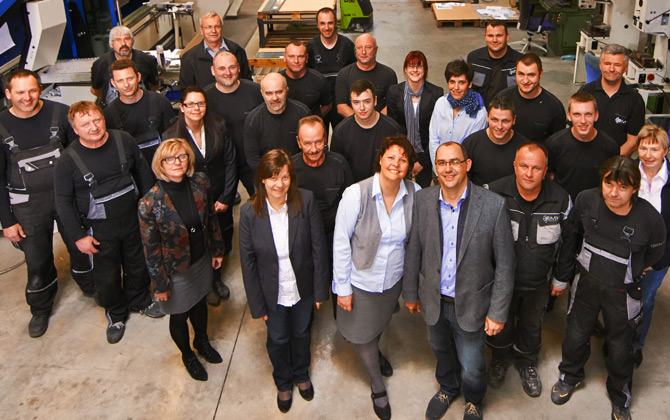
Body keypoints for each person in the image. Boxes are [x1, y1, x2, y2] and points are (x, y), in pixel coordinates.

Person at [403, 141, 514, 420]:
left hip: (473, 302)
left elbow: (505, 264)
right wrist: (411, 293)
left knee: (472, 365)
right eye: (441, 163)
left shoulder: (493, 205)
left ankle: (473, 400)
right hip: (434, 299)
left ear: (467, 165)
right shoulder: (423, 200)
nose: (448, 168)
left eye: (454, 161)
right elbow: (414, 249)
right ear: (435, 168)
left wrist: (498, 312)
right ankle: (447, 387)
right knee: (441, 351)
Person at [550, 156, 665, 420]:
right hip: (586, 285)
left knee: (620, 347)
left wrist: (636, 269)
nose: (614, 193)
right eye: (608, 184)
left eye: (623, 187)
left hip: (624, 293)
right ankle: (570, 376)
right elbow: (572, 237)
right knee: (576, 335)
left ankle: (619, 396)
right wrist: (563, 276)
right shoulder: (586, 200)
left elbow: (655, 252)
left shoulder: (649, 218)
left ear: (634, 188)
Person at [54, 101, 163, 344]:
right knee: (107, 275)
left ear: (103, 119)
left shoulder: (124, 140)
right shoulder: (67, 161)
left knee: (138, 264)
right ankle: (116, 313)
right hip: (99, 229)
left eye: (97, 120)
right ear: (75, 129)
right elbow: (63, 202)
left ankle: (140, 300)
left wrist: (150, 211)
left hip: (133, 219)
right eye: (85, 124)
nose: (93, 127)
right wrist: (78, 236)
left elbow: (143, 174)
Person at [333, 135, 420, 420]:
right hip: (361, 281)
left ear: (409, 166)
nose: (396, 163)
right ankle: (377, 385)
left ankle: (377, 355)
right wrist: (343, 288)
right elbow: (341, 243)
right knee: (361, 337)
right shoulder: (355, 194)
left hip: (392, 280)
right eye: (391, 157)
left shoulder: (415, 193)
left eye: (403, 159)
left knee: (378, 325)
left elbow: (416, 242)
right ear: (380, 159)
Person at [0, 69, 91, 337]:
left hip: (67, 199)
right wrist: (7, 221)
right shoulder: (1, 125)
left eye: (32, 90)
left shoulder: (60, 113)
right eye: (20, 92)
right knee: (37, 259)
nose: (27, 97)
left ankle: (91, 286)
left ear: (40, 89)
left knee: (81, 246)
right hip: (27, 206)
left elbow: (80, 158)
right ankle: (40, 308)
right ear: (8, 94)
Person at [239, 149, 328, 413]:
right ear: (262, 179)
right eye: (273, 177)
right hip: (272, 292)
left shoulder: (305, 201)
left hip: (302, 287)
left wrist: (320, 291)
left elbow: (319, 248)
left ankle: (301, 374)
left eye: (285, 177)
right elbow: (248, 263)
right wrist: (257, 305)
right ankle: (283, 381)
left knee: (301, 333)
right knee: (278, 339)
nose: (279, 184)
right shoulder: (248, 213)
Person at [485, 142, 571, 397]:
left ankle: (527, 363)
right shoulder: (494, 193)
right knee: (500, 324)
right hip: (502, 282)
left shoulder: (561, 199)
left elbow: (568, 243)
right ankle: (499, 359)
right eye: (524, 166)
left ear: (546, 171)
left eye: (536, 168)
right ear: (514, 166)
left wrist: (561, 278)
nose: (529, 173)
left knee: (532, 326)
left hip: (538, 282)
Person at [138, 138, 224, 381]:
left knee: (200, 304)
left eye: (181, 156)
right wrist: (159, 284)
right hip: (175, 271)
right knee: (179, 314)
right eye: (169, 159)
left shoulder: (200, 182)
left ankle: (201, 341)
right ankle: (188, 355)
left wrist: (217, 250)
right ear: (160, 164)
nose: (176, 162)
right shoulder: (149, 202)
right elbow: (150, 249)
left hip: (200, 260)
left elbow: (211, 219)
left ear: (188, 160)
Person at [163, 87, 237, 306]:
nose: (196, 108)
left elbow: (230, 162)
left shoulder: (219, 126)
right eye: (191, 104)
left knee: (221, 237)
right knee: (199, 244)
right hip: (191, 202)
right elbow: (171, 175)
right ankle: (205, 286)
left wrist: (226, 197)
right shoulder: (171, 135)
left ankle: (217, 279)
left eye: (201, 103)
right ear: (182, 107)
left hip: (220, 197)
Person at [292, 116, 353, 313]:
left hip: (334, 234)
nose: (313, 149)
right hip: (304, 236)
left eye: (318, 142)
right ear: (299, 142)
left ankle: (340, 313)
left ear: (326, 139)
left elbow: (351, 203)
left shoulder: (339, 164)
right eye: (307, 143)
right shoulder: (290, 169)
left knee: (338, 277)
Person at [632, 125, 670, 367]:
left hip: (658, 257)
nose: (648, 155)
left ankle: (635, 345)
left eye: (654, 149)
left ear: (665, 151)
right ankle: (617, 341)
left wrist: (655, 260)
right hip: (625, 252)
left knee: (644, 301)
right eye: (643, 148)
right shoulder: (627, 172)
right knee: (620, 301)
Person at [204, 51, 263, 197]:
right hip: (221, 166)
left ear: (238, 68)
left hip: (251, 163)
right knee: (222, 207)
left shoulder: (255, 91)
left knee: (262, 202)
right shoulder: (205, 98)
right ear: (213, 70)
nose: (227, 73)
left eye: (231, 67)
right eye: (221, 68)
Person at [546, 91, 619, 201]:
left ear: (596, 115)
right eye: (577, 114)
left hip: (596, 204)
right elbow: (548, 175)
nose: (583, 121)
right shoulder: (554, 144)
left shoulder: (610, 146)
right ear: (569, 116)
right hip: (563, 203)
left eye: (588, 114)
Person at [386, 50, 444, 187]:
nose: (415, 70)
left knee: (423, 191)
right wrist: (403, 158)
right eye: (411, 66)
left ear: (425, 69)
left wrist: (422, 162)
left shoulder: (436, 93)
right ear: (405, 69)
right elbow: (393, 128)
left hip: (425, 154)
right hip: (401, 153)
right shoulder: (394, 92)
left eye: (419, 66)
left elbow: (435, 132)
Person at [103, 59, 176, 163]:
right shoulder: (109, 114)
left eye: (130, 78)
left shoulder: (160, 102)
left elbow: (173, 141)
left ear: (138, 77)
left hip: (164, 164)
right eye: (120, 81)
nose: (126, 85)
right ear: (113, 83)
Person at [578, 44, 645, 156]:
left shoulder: (634, 100)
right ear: (600, 65)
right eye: (607, 64)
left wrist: (612, 163)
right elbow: (574, 129)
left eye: (617, 65)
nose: (611, 69)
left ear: (625, 68)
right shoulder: (585, 92)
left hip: (616, 160)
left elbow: (633, 141)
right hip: (584, 156)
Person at [331, 80, 401, 182]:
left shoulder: (392, 129)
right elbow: (336, 168)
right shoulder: (340, 132)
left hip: (383, 186)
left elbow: (399, 164)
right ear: (351, 103)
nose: (362, 107)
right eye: (356, 102)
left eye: (367, 101)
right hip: (352, 188)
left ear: (375, 101)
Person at [243, 72, 310, 172]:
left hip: (298, 172)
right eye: (269, 93)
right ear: (262, 93)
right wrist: (274, 176)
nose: (275, 98)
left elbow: (309, 149)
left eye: (279, 92)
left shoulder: (302, 113)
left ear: (286, 90)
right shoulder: (253, 120)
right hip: (268, 174)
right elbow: (253, 158)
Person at [428, 60, 487, 168]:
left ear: (469, 84)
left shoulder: (479, 112)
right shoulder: (441, 103)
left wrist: (456, 171)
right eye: (452, 82)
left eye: (461, 82)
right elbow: (433, 139)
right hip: (439, 167)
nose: (456, 87)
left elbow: (472, 149)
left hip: (463, 170)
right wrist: (438, 168)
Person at [306, 7, 356, 130]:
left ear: (336, 24)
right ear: (317, 25)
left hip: (342, 103)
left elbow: (355, 75)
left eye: (330, 23)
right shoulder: (310, 48)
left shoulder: (347, 46)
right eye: (322, 23)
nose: (326, 27)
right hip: (319, 104)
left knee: (343, 137)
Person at [498, 53, 566, 143]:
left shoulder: (554, 107)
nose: (525, 80)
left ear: (540, 73)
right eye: (521, 74)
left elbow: (558, 144)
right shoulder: (502, 99)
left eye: (531, 75)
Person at [462, 95, 529, 186]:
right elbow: (463, 180)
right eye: (494, 120)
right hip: (478, 194)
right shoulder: (470, 144)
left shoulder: (525, 148)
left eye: (505, 121)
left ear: (514, 120)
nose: (499, 126)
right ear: (487, 117)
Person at [179, 11, 252, 89]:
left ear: (221, 28)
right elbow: (187, 90)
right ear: (201, 30)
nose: (213, 31)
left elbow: (247, 83)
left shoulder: (237, 51)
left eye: (217, 26)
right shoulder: (189, 58)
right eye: (208, 27)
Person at [90, 26, 160, 106]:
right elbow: (95, 90)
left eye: (127, 39)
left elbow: (155, 85)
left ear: (132, 42)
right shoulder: (100, 65)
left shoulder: (147, 60)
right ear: (111, 44)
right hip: (114, 110)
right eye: (118, 40)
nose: (123, 44)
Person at [335, 33, 397, 118]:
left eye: (368, 47)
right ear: (355, 50)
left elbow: (391, 105)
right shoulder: (344, 74)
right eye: (359, 48)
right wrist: (360, 121)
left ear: (376, 49)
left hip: (380, 123)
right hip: (354, 123)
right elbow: (341, 107)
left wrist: (376, 121)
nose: (363, 52)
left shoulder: (389, 74)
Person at [466, 21, 522, 107]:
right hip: (478, 110)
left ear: (507, 36)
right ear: (485, 37)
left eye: (499, 35)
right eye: (490, 36)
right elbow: (460, 86)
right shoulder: (473, 59)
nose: (495, 40)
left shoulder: (520, 62)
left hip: (508, 112)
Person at [280, 40, 332, 117]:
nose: (296, 61)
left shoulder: (319, 80)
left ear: (306, 58)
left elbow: (327, 105)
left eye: (300, 56)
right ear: (284, 58)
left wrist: (313, 120)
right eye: (291, 56)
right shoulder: (277, 81)